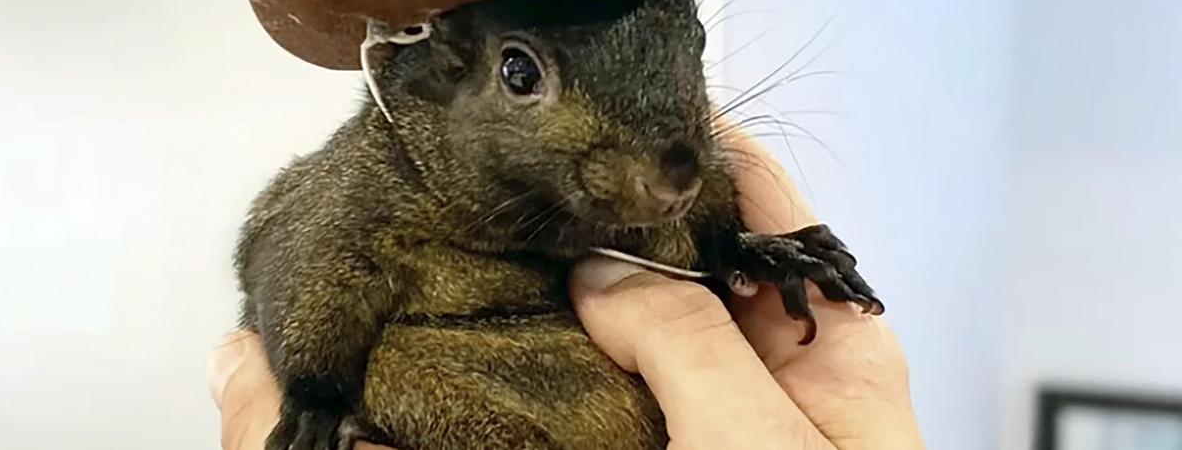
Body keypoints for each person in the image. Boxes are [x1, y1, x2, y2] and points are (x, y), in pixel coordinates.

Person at [207, 131, 925, 450]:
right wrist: (316, 396)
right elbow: (293, 265)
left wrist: (738, 250)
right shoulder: (372, 189)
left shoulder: (690, 165)